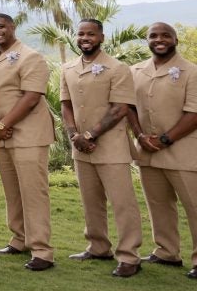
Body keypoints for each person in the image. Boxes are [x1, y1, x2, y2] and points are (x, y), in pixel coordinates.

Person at [59, 19, 142, 277]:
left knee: (122, 202)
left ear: (102, 37)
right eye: (81, 34)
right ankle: (98, 246)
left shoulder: (117, 68)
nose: (85, 38)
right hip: (81, 148)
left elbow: (120, 108)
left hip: (111, 146)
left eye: (91, 34)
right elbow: (66, 105)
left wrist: (90, 134)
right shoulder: (68, 68)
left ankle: (129, 256)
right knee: (90, 201)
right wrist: (74, 135)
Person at [0, 13, 54, 271]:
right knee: (12, 192)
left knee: (33, 192)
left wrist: (4, 124)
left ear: (13, 27)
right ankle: (19, 239)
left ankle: (42, 250)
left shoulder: (31, 57)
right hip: (1, 136)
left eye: (1, 26)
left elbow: (31, 96)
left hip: (29, 135)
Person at [127, 22, 197, 278]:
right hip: (147, 151)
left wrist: (165, 140)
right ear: (147, 40)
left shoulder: (191, 71)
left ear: (175, 40)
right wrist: (140, 136)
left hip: (183, 151)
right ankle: (167, 252)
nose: (159, 39)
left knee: (194, 205)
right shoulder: (135, 71)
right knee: (158, 203)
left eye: (165, 35)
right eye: (153, 35)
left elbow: (194, 113)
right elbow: (129, 108)